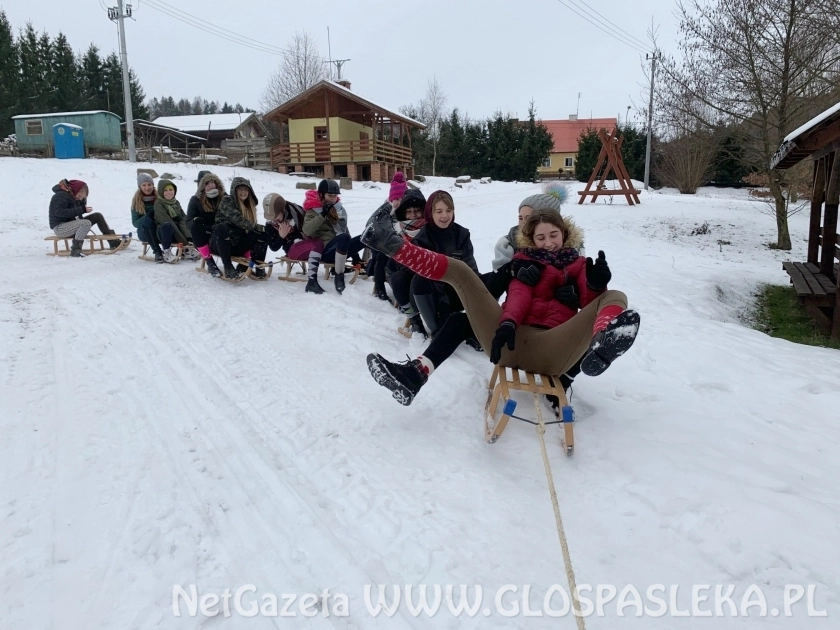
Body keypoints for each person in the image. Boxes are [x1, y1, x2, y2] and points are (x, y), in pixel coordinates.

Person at [362, 205, 640, 407]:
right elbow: (518, 297)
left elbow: (588, 308)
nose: (548, 243)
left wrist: (595, 284)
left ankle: (604, 342)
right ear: (530, 240)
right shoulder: (523, 263)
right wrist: (507, 324)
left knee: (615, 295)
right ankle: (390, 245)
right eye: (540, 238)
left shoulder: (580, 265)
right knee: (460, 275)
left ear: (564, 234)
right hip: (508, 341)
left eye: (553, 235)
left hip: (553, 349)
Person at [409, 190, 479, 339]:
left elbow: (470, 268)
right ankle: (437, 329)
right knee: (419, 280)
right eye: (439, 211)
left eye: (449, 210)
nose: (445, 216)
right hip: (432, 296)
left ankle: (477, 325)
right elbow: (428, 278)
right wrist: (444, 308)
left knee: (490, 279)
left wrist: (477, 292)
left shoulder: (462, 234)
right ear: (430, 213)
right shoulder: (422, 240)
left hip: (456, 289)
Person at [300, 179, 365, 294]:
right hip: (326, 251)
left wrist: (355, 256)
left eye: (335, 196)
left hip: (341, 249)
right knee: (344, 237)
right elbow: (307, 230)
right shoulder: (313, 211)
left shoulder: (338, 209)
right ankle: (339, 275)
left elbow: (345, 231)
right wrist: (323, 214)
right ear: (321, 195)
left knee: (367, 236)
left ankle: (369, 268)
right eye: (330, 195)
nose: (333, 198)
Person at [492, 183, 569, 271]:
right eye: (521, 218)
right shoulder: (507, 244)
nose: (524, 223)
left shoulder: (571, 245)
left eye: (529, 218)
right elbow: (497, 277)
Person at [383, 189, 427, 335]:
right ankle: (415, 321)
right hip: (407, 275)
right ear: (404, 213)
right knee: (397, 278)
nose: (413, 215)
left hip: (428, 274)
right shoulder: (398, 231)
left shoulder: (430, 228)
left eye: (417, 211)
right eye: (409, 211)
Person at [213, 177, 269, 280]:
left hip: (237, 244)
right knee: (222, 228)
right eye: (240, 189)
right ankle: (228, 267)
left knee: (262, 234)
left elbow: (250, 229)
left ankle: (259, 266)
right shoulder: (227, 200)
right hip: (221, 244)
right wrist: (257, 227)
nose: (243, 192)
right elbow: (238, 220)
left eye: (246, 189)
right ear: (234, 190)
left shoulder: (249, 206)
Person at [49, 179, 122, 257]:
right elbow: (60, 213)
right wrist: (81, 210)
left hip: (71, 225)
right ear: (75, 190)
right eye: (79, 196)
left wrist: (81, 208)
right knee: (85, 223)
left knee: (97, 216)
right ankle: (76, 250)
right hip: (60, 228)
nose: (80, 198)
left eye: (82, 198)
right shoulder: (60, 196)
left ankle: (113, 241)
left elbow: (77, 215)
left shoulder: (75, 197)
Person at [371, 171, 409, 300]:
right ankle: (379, 287)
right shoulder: (385, 210)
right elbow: (374, 226)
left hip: (401, 244)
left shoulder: (406, 211)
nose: (399, 202)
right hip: (383, 244)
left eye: (402, 199)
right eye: (396, 199)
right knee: (381, 258)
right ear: (391, 198)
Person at [187, 170, 227, 276]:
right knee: (195, 227)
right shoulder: (195, 200)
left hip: (221, 231)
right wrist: (195, 221)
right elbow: (188, 221)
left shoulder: (224, 197)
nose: (211, 185)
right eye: (207, 183)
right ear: (201, 185)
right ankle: (210, 262)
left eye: (212, 182)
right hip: (205, 233)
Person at [152, 179, 192, 262]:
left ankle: (187, 250)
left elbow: (182, 217)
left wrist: (189, 237)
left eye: (171, 190)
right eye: (165, 190)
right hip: (163, 233)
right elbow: (165, 219)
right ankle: (166, 252)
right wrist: (184, 241)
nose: (168, 192)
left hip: (176, 232)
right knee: (167, 225)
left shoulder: (176, 203)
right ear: (161, 192)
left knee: (187, 221)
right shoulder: (158, 203)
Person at [130, 173, 164, 262]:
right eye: (144, 185)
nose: (147, 187)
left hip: (158, 230)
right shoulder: (136, 202)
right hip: (144, 232)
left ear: (153, 185)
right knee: (148, 220)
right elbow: (135, 223)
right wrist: (146, 216)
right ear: (140, 186)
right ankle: (157, 252)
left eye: (149, 184)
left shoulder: (159, 198)